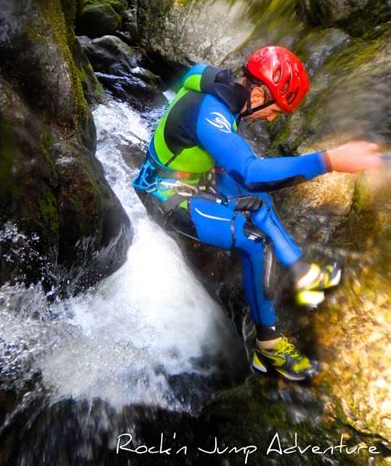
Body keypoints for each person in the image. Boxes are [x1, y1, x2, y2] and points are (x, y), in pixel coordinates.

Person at [132, 46, 383, 381]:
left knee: (257, 198)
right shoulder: (211, 111)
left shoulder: (223, 90)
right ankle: (269, 347)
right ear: (260, 92)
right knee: (255, 242)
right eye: (275, 109)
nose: (271, 118)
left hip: (194, 177)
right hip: (164, 195)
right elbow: (249, 170)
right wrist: (329, 160)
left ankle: (302, 273)